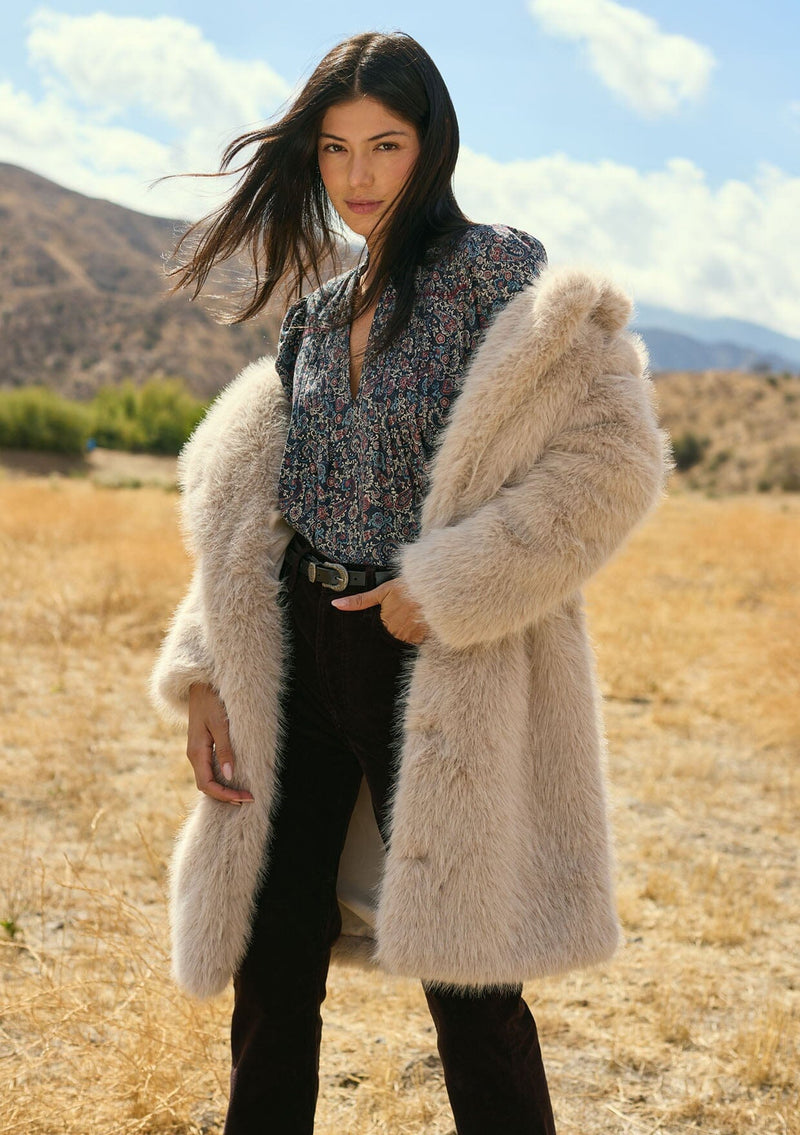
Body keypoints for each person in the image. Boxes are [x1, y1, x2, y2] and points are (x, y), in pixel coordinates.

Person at [150, 30, 669, 1135]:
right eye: (335, 150)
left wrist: (445, 586)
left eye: (385, 144)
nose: (358, 177)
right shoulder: (316, 311)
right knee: (273, 958)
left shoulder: (498, 274)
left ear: (431, 144)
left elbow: (610, 460)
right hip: (293, 652)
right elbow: (261, 507)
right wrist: (202, 670)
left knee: (469, 980)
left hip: (428, 657)